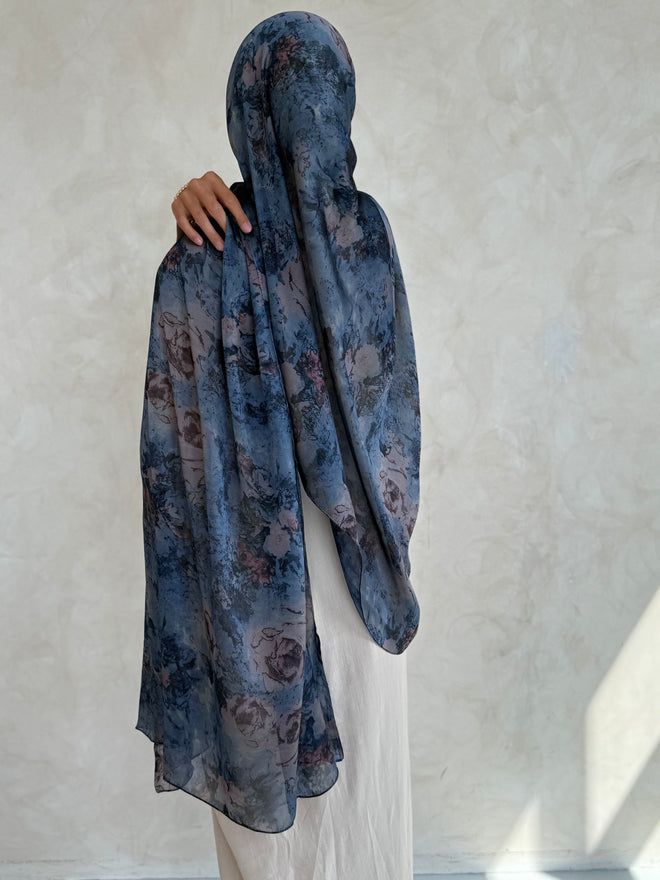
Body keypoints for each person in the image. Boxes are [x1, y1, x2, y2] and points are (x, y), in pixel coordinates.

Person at [136, 11, 421, 879]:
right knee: (295, 831)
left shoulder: (349, 240)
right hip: (277, 588)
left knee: (354, 803)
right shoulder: (207, 251)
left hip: (333, 580)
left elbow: (387, 416)